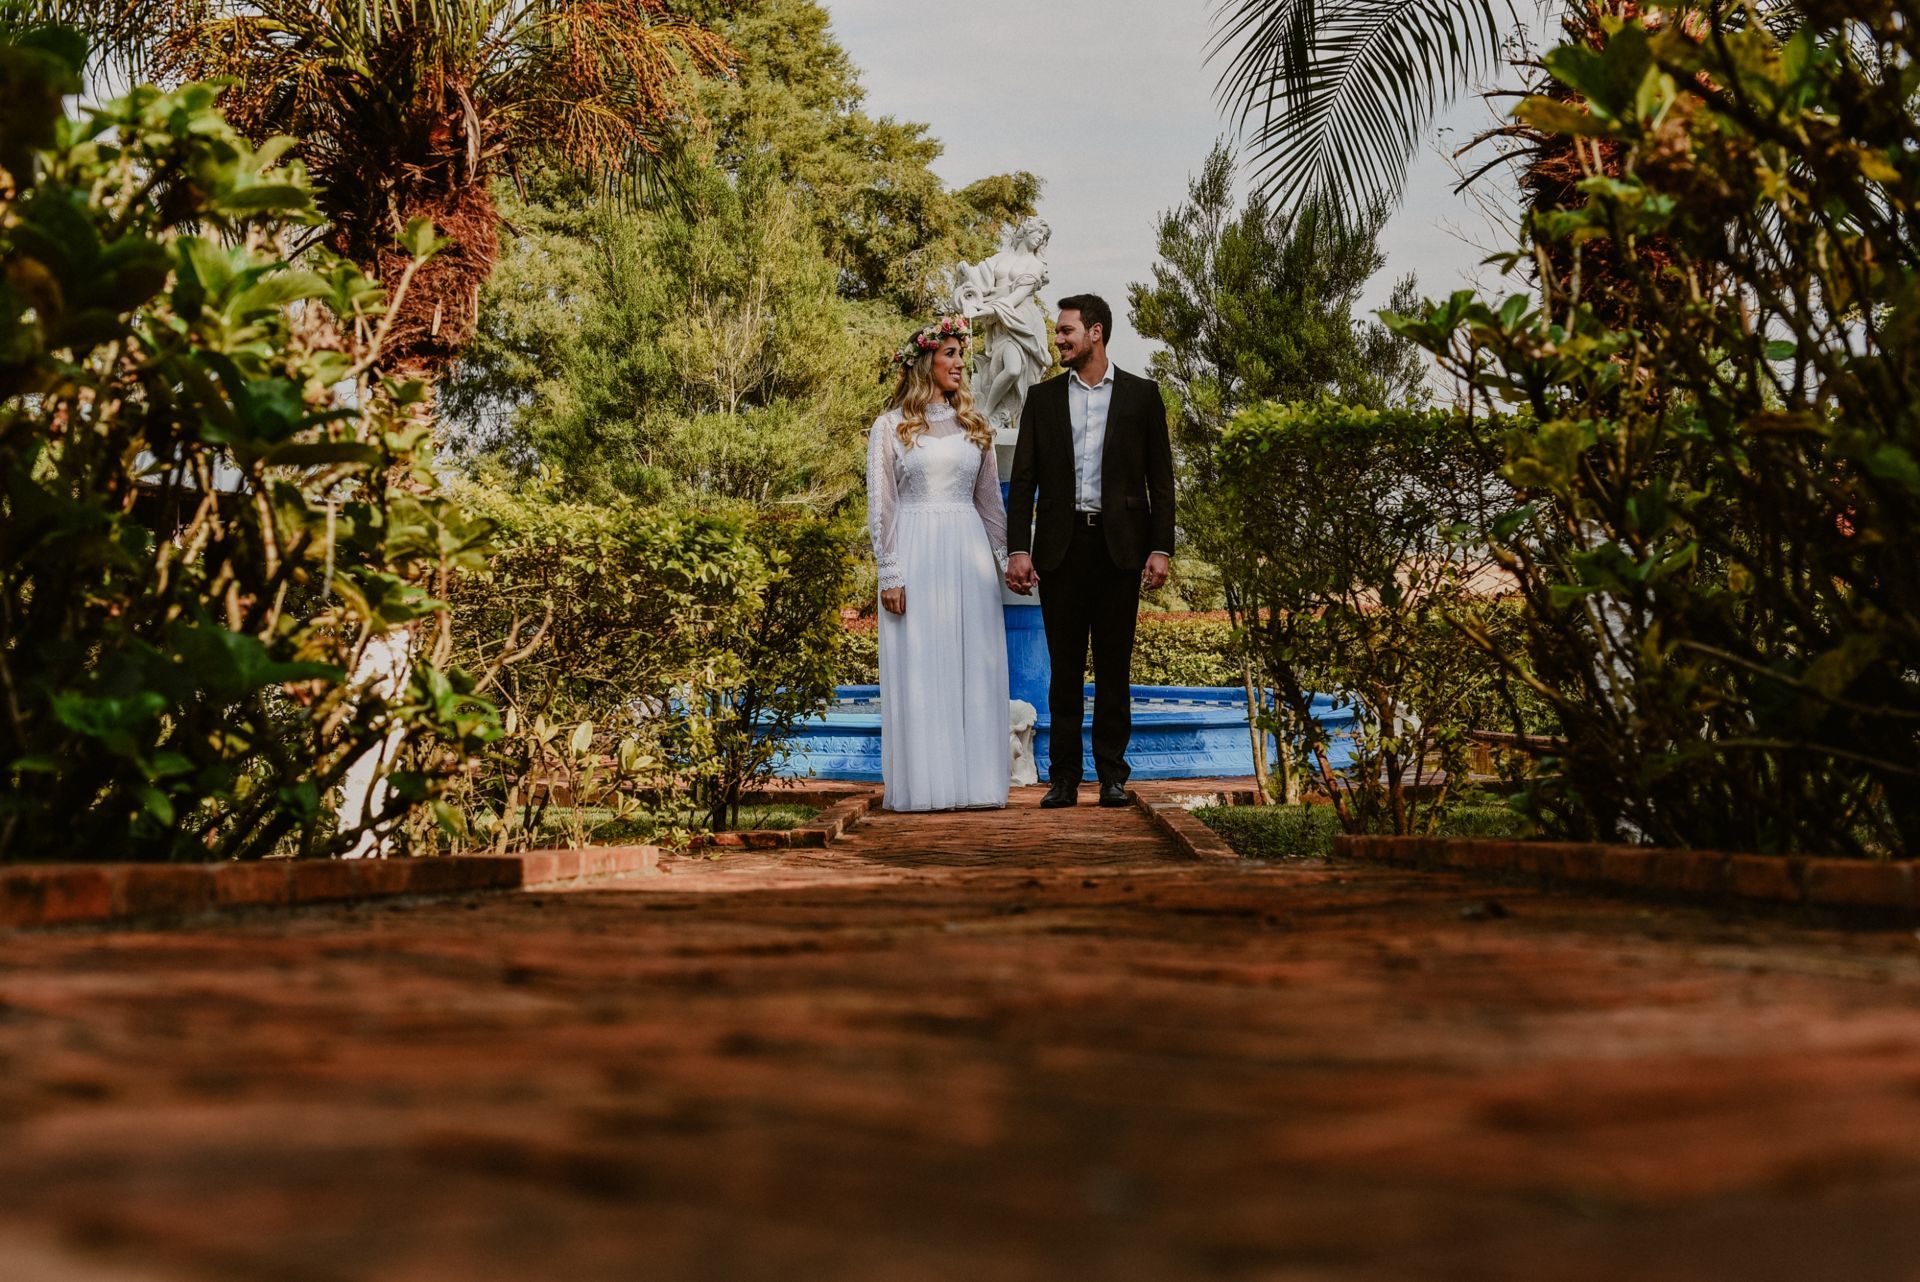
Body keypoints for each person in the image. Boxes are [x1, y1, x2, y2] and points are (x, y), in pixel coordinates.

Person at [1005, 295, 1175, 808]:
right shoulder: (1043, 398)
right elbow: (1025, 479)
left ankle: (1112, 776)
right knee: (1064, 669)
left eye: (1065, 331)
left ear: (1095, 333)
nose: (1057, 339)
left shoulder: (1143, 397)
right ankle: (1062, 778)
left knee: (1114, 667)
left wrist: (1160, 548)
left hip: (1121, 549)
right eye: (1059, 332)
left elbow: (1160, 481)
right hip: (1061, 549)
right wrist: (1018, 549)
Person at [867, 315, 1011, 812]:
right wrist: (890, 571)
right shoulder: (889, 427)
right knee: (922, 665)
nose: (958, 363)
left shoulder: (977, 426)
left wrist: (1009, 560)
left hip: (968, 555)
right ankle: (926, 784)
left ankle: (976, 785)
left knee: (974, 663)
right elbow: (881, 503)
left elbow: (991, 504)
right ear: (925, 361)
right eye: (949, 353)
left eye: (960, 354)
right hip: (917, 551)